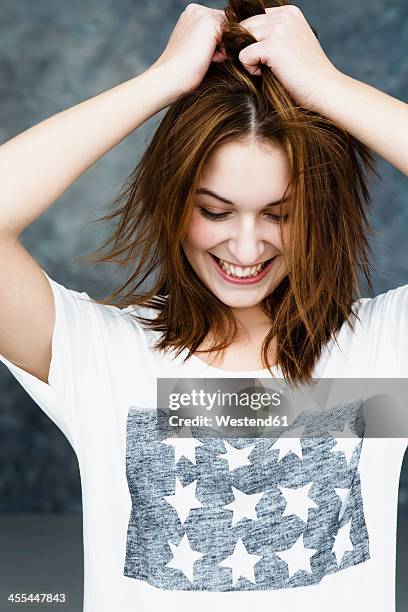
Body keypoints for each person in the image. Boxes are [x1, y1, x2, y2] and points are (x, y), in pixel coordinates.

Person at [0, 0, 407, 610]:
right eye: (215, 211)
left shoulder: (381, 354)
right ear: (174, 204)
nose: (245, 247)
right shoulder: (102, 357)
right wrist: (159, 83)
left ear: (319, 216)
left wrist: (330, 88)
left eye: (281, 215)